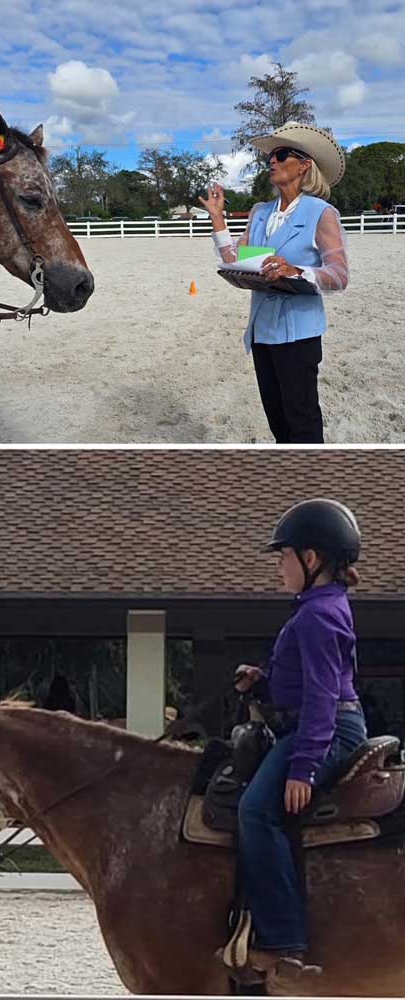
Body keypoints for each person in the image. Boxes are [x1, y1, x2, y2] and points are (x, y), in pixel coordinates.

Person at [231, 498, 367, 979]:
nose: (278, 566)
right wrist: (263, 681)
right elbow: (304, 684)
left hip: (326, 727)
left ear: (311, 560)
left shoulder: (316, 616)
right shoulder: (317, 607)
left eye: (283, 556)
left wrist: (304, 767)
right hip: (316, 719)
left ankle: (284, 940)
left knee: (254, 810)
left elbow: (323, 695)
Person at [199, 123, 349, 444]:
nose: (272, 161)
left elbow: (338, 275)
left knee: (303, 424)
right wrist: (217, 219)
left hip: (299, 335)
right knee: (278, 423)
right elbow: (236, 258)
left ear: (304, 165)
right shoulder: (261, 212)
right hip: (262, 332)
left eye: (281, 155)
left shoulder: (320, 213)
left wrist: (296, 270)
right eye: (270, 156)